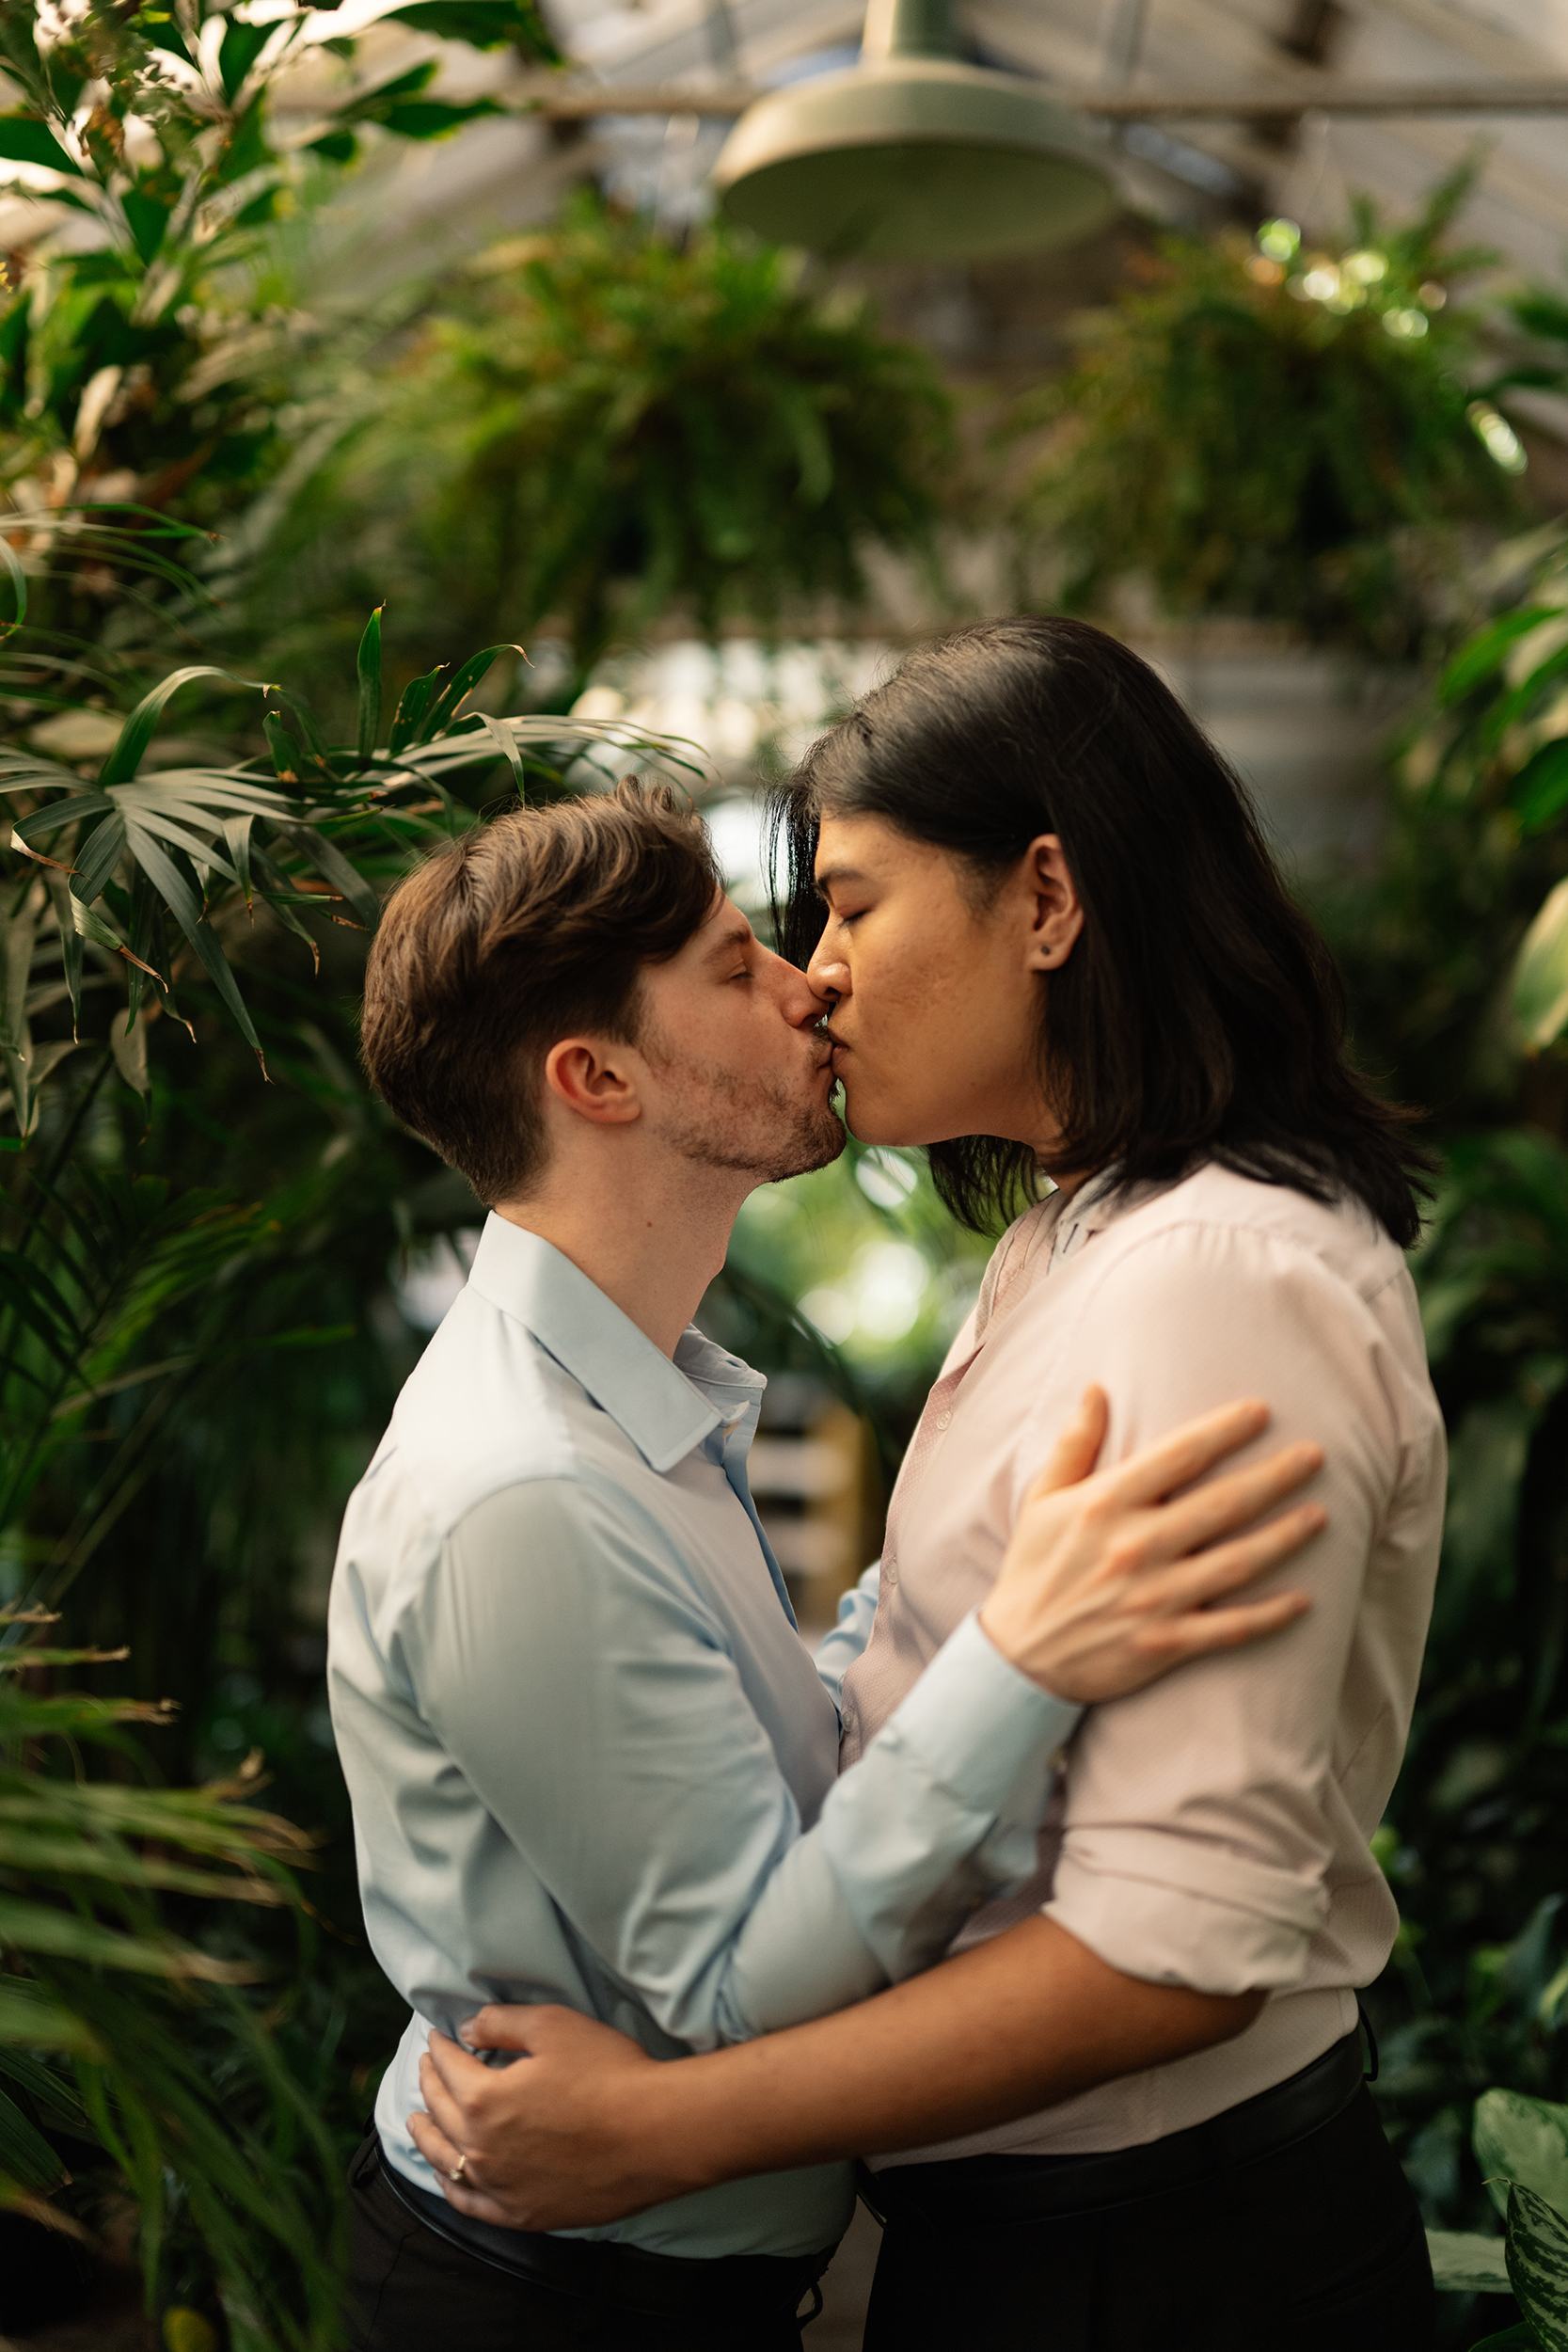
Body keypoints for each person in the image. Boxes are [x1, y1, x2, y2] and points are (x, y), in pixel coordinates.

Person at [409, 619, 1447, 2352]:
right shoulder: (1083, 1235)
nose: (817, 976)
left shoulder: (1223, 1279)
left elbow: (1174, 1948)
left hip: (1160, 2261)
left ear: (1048, 901)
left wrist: (659, 2131)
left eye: (855, 907)